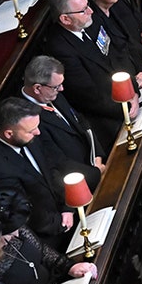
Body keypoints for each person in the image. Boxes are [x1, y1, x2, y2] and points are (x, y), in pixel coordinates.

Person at [42, 0, 142, 150]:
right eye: (83, 10)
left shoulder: (90, 20)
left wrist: (132, 90)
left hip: (128, 93)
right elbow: (87, 95)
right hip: (106, 113)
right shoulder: (60, 49)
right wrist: (126, 106)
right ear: (65, 19)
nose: (90, 11)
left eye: (88, 5)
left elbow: (117, 55)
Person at [0, 99, 74, 251]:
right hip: (46, 234)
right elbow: (24, 209)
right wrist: (60, 224)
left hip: (62, 211)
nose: (38, 132)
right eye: (31, 130)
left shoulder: (27, 134)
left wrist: (67, 206)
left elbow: (51, 169)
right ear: (9, 133)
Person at [17, 55, 105, 190]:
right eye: (56, 86)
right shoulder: (27, 120)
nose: (62, 89)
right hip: (81, 182)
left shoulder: (52, 93)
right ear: (37, 88)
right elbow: (57, 161)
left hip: (95, 163)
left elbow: (81, 122)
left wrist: (97, 155)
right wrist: (96, 173)